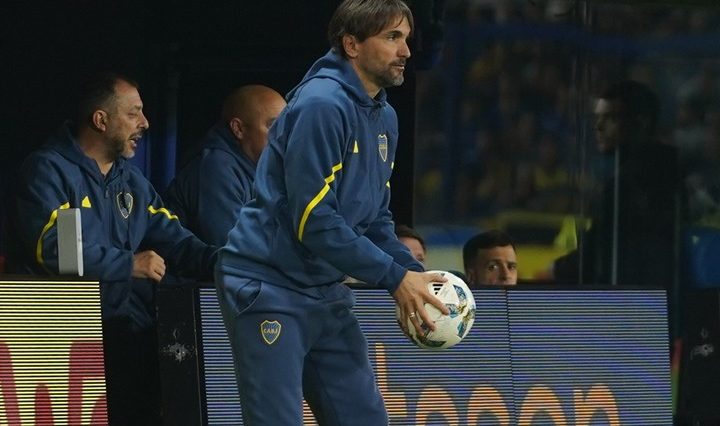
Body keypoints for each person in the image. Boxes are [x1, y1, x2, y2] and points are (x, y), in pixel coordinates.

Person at [215, 1, 449, 424]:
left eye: (407, 39)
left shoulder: (385, 117)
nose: (407, 52)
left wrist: (410, 273)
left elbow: (375, 218)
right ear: (352, 44)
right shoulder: (321, 105)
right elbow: (314, 221)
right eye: (393, 37)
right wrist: (396, 279)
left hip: (325, 290)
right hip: (269, 285)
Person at [12, 72, 217, 425]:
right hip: (65, 345)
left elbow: (178, 240)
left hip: (130, 335)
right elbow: (53, 251)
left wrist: (229, 263)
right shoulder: (47, 170)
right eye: (133, 113)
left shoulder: (131, 180)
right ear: (100, 120)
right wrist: (129, 264)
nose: (145, 123)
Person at [553, 80, 678, 287]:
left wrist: (553, 270)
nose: (598, 126)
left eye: (610, 118)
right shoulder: (663, 168)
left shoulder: (631, 182)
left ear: (641, 122)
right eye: (597, 118)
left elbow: (596, 254)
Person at [164, 85, 287, 245]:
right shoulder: (215, 167)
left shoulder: (263, 168)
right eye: (273, 126)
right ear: (238, 128)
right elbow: (233, 251)